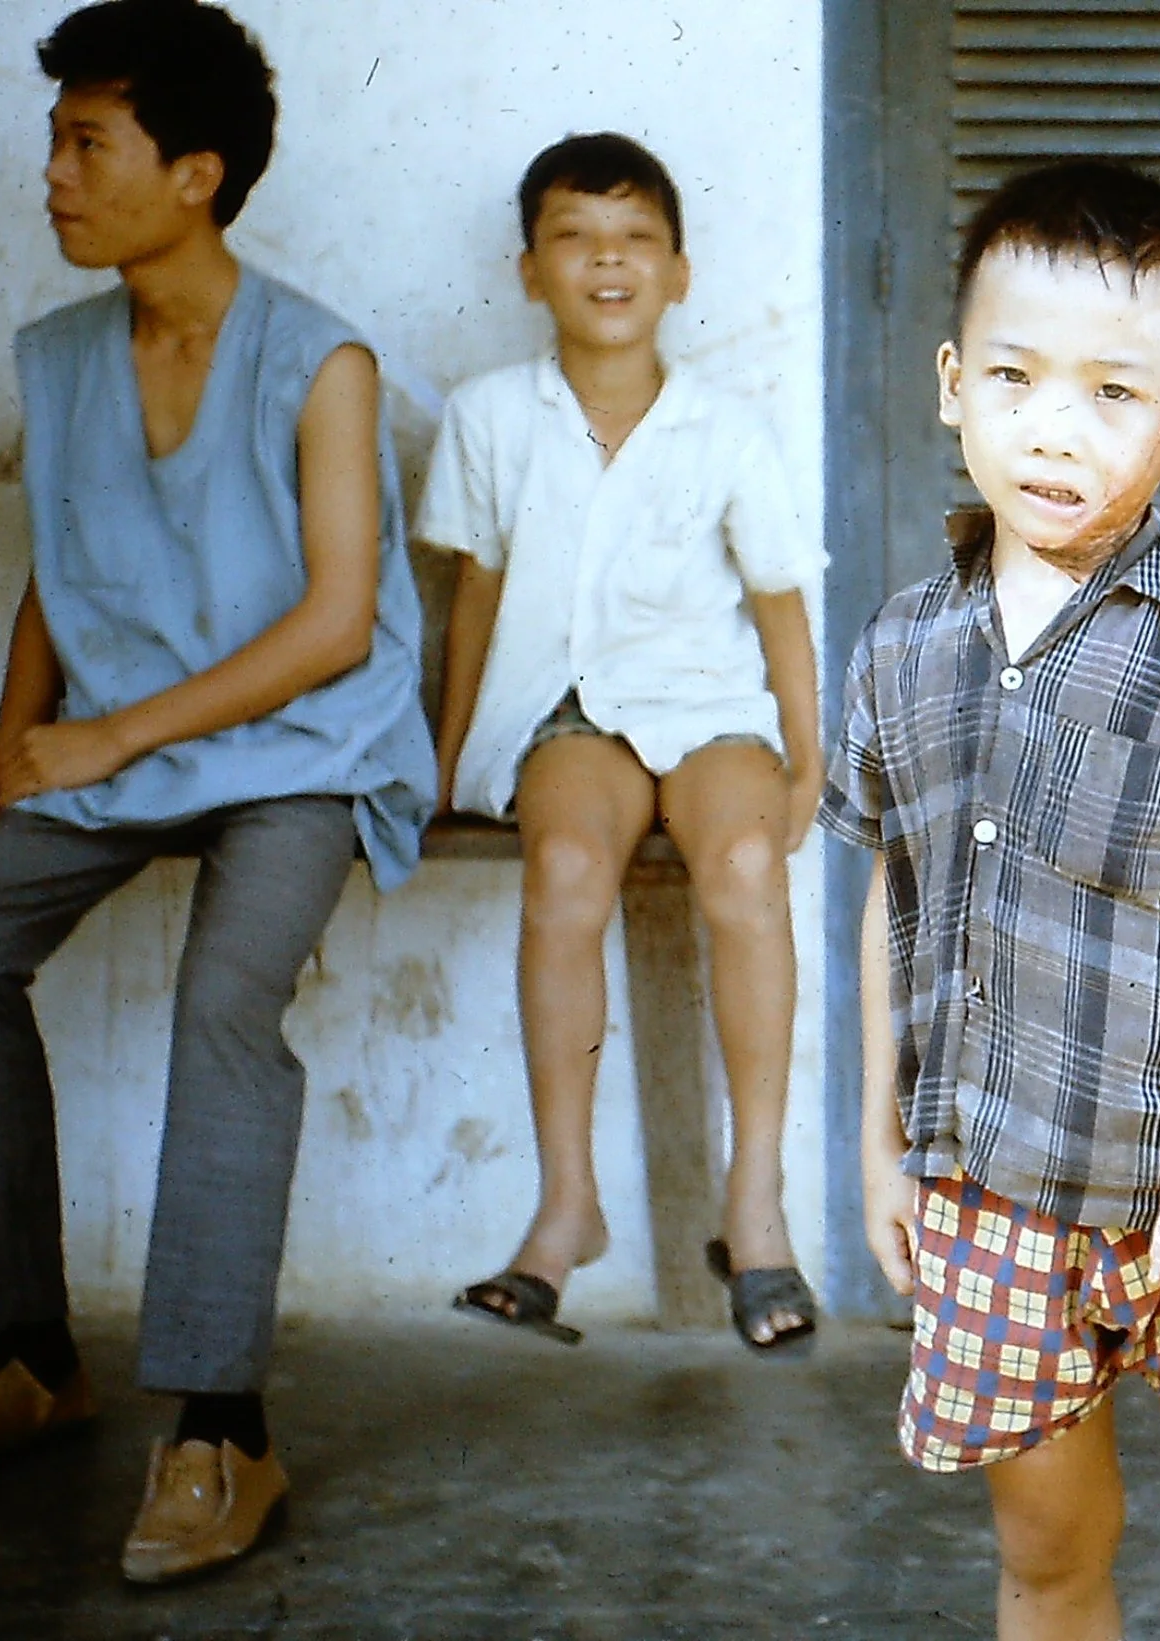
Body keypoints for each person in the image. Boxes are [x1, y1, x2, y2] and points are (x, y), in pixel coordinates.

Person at [0, 0, 435, 1584]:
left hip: (306, 747)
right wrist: (4, 777)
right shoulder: (63, 355)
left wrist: (108, 748)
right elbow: (59, 579)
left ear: (193, 174)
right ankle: (29, 1361)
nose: (51, 176)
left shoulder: (318, 358)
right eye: (53, 140)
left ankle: (218, 1426)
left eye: (85, 144)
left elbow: (337, 624)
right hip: (124, 748)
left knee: (220, 1011)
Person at [822, 159, 1160, 1641]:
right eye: (1014, 374)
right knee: (1052, 1558)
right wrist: (882, 1150)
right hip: (993, 1195)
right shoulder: (900, 647)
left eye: (1115, 393)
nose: (1054, 426)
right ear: (952, 383)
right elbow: (897, 890)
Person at [420, 133, 824, 1352]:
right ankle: (565, 1209)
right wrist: (446, 763)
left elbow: (778, 605)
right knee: (566, 873)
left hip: (709, 708)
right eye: (575, 238)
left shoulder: (725, 427)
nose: (609, 262)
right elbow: (476, 598)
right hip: (564, 711)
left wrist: (808, 760)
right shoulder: (488, 417)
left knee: (747, 870)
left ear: (680, 272)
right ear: (529, 267)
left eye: (637, 237)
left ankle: (753, 1209)